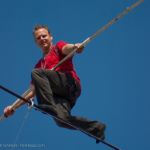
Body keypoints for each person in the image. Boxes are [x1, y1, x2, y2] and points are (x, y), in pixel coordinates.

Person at [3, 25, 106, 143]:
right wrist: (13, 107)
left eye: (44, 36)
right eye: (38, 38)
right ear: (36, 42)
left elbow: (67, 48)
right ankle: (96, 128)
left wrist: (75, 47)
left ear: (51, 37)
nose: (42, 39)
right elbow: (32, 91)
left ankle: (48, 105)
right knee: (61, 120)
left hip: (69, 85)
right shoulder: (39, 66)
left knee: (37, 73)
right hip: (61, 97)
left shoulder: (57, 47)